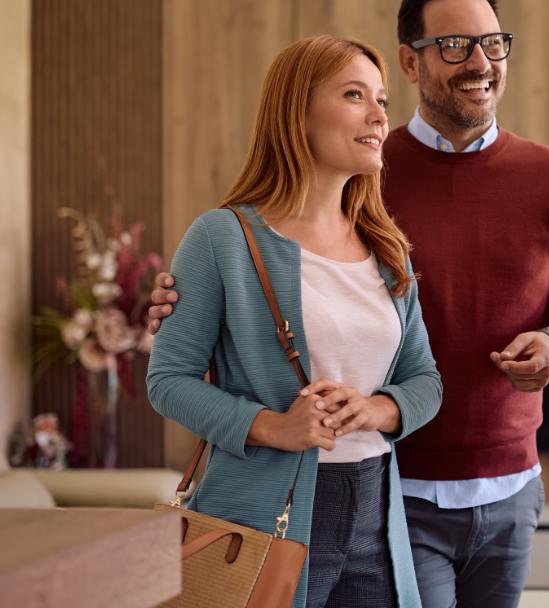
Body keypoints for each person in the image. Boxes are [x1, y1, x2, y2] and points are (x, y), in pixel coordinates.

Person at [148, 0, 549, 608]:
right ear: (413, 60)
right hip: (379, 492)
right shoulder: (352, 180)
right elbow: (179, 368)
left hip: (474, 487)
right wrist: (256, 406)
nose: (480, 62)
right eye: (455, 44)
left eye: (494, 43)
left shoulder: (391, 231)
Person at [146, 35, 443, 608]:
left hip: (377, 516)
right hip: (257, 519)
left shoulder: (388, 250)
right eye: (355, 95)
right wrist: (272, 426)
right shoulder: (222, 238)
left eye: (382, 98)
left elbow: (425, 380)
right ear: (297, 113)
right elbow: (168, 381)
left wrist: (376, 408)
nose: (380, 114)